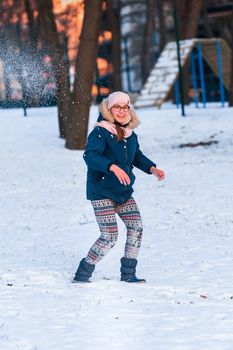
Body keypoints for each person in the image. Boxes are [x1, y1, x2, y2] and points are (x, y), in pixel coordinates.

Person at [73, 91, 165, 283]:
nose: (121, 111)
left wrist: (152, 168)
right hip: (101, 191)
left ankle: (128, 274)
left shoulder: (131, 134)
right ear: (109, 109)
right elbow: (90, 156)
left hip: (122, 192)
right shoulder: (100, 131)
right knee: (109, 236)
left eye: (125, 107)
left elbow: (136, 156)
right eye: (117, 107)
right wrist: (112, 167)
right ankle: (83, 274)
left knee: (136, 227)